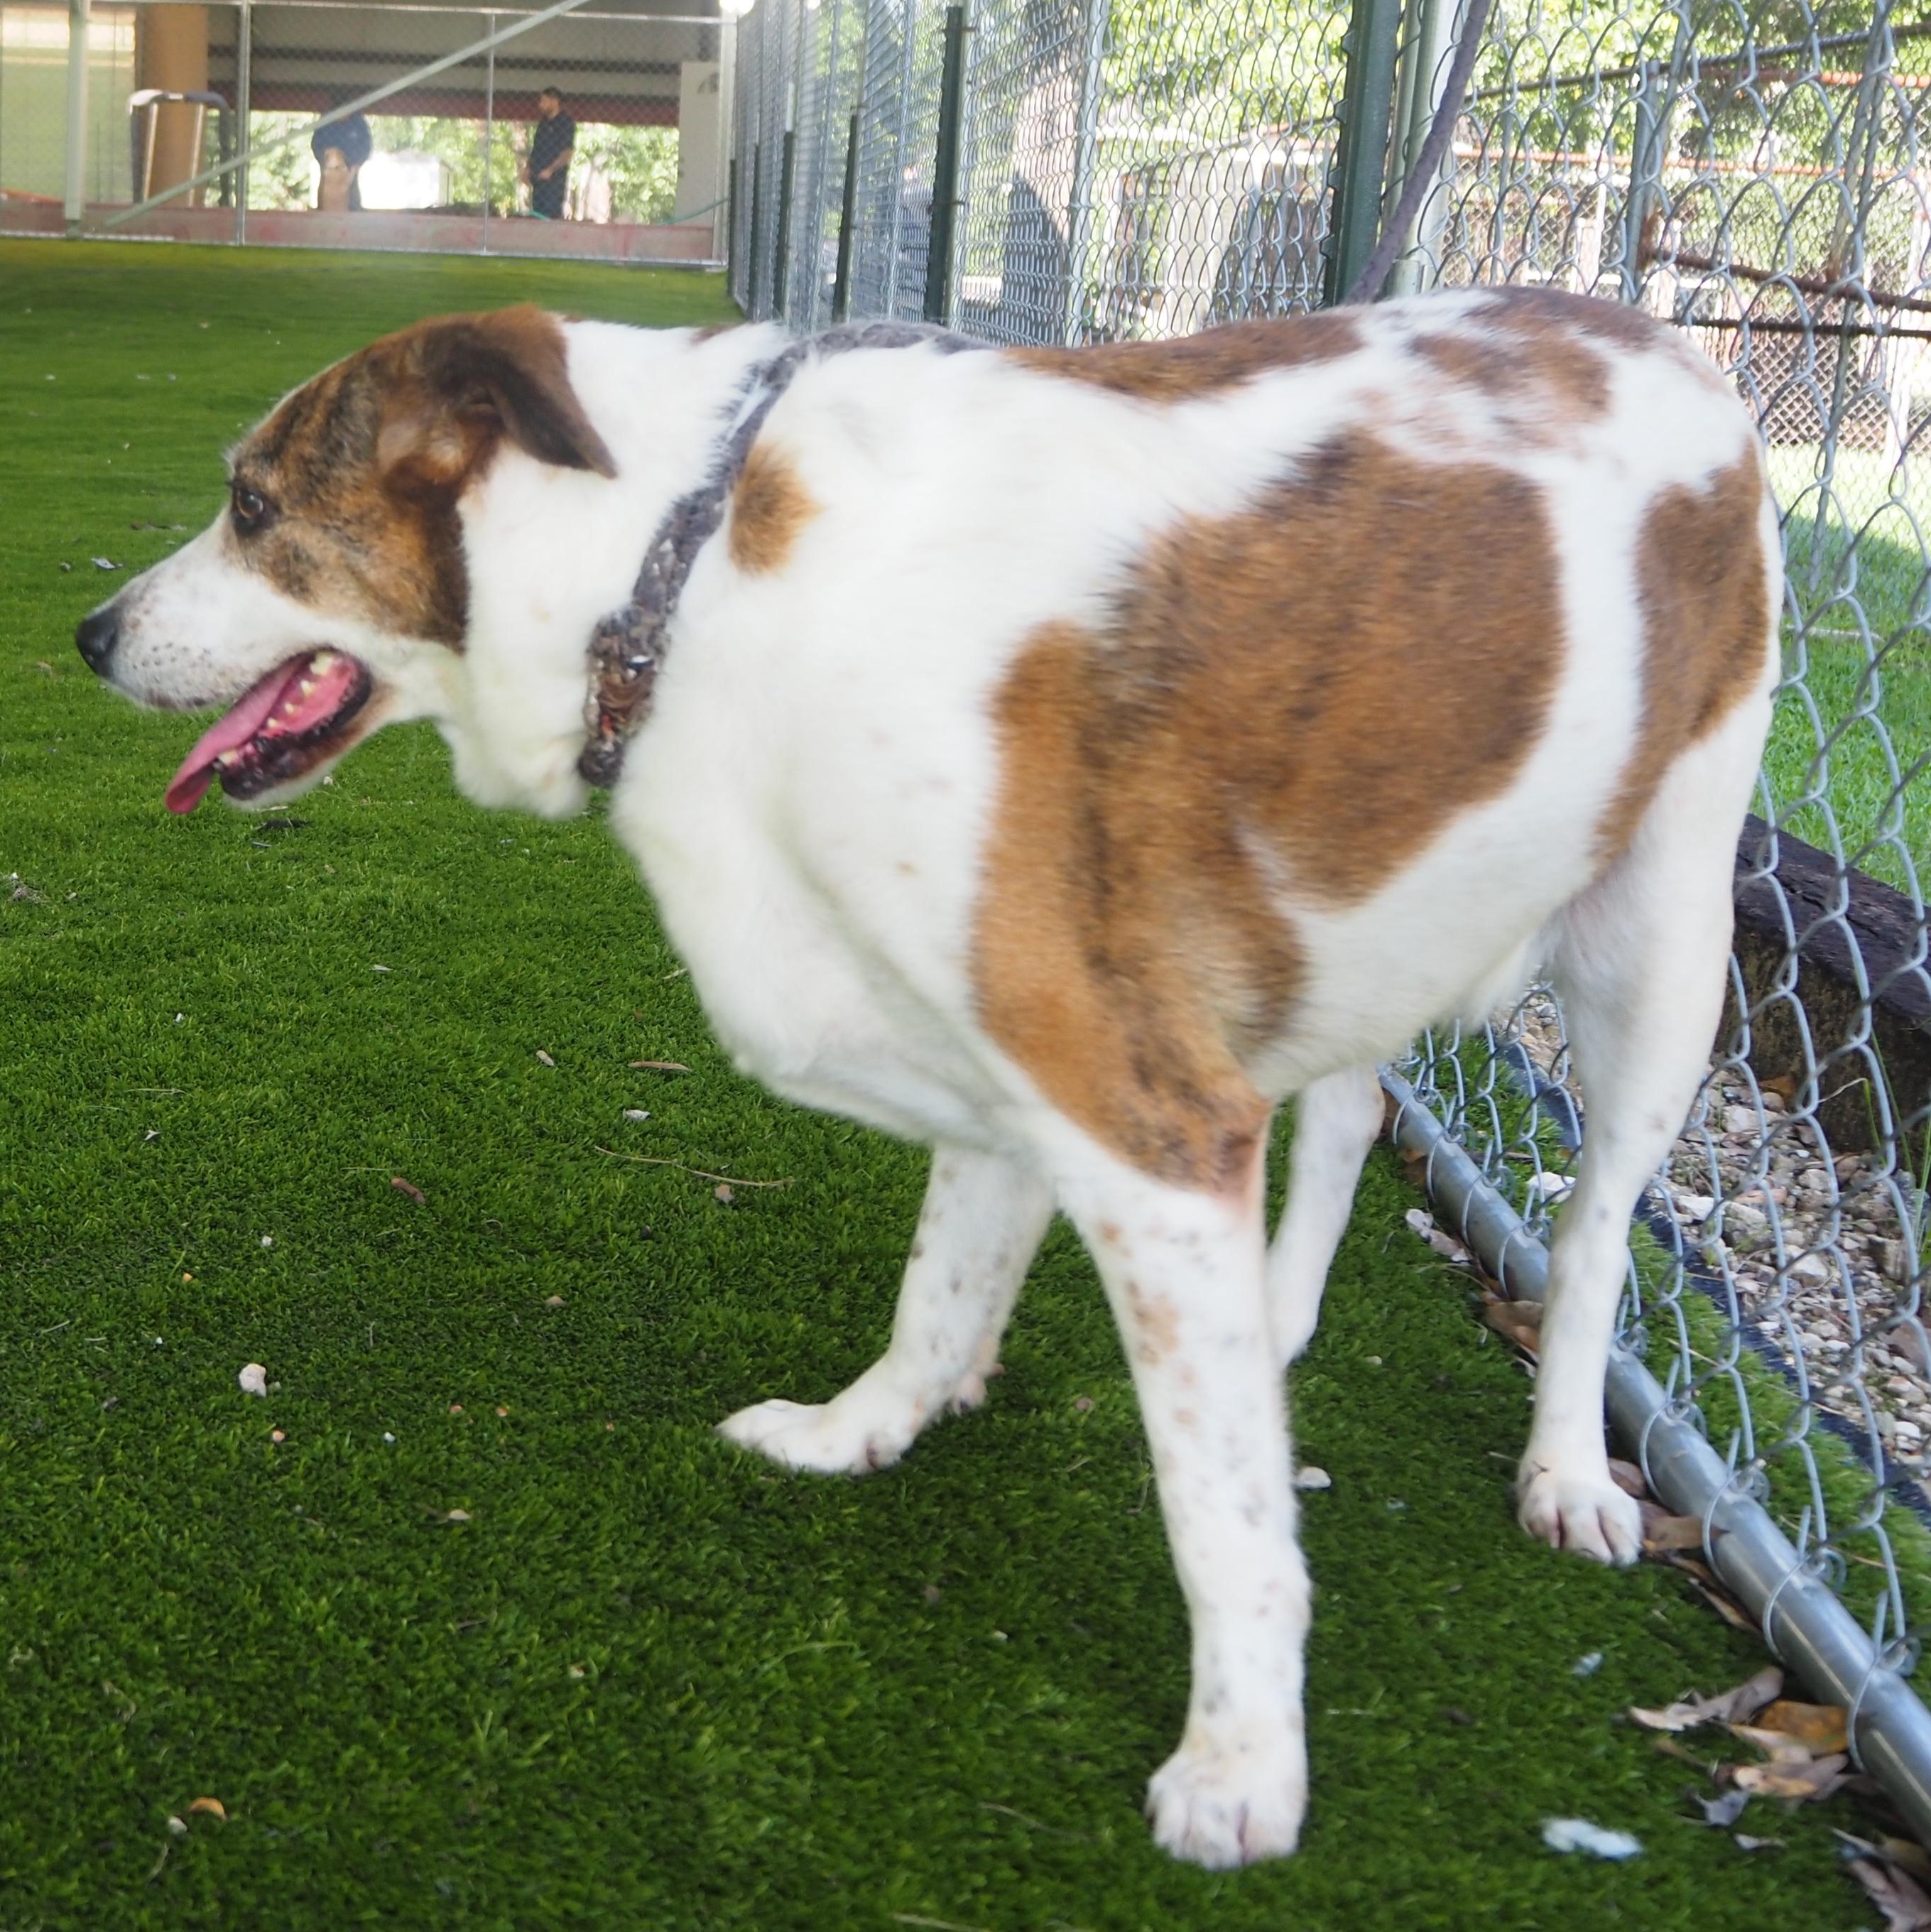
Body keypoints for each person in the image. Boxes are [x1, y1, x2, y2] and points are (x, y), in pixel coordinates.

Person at [310, 89, 372, 212]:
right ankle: (322, 211)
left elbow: (366, 146)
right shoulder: (326, 120)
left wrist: (356, 165)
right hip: (329, 165)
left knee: (352, 189)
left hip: (351, 165)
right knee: (325, 187)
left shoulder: (358, 122)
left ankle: (354, 214)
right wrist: (324, 161)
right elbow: (316, 144)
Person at [525, 87, 575, 220]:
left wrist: (550, 170)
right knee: (537, 213)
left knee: (550, 214)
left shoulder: (566, 122)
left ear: (554, 101)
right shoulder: (543, 123)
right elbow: (536, 148)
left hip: (554, 180)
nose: (540, 105)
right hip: (538, 178)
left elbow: (567, 153)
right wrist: (528, 168)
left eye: (544, 101)